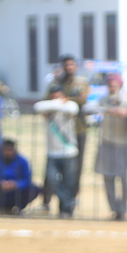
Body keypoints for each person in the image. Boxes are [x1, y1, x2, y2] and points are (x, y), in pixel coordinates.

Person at [87, 74, 127, 220]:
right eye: (110, 85)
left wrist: (126, 114)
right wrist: (108, 110)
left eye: (115, 85)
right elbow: (90, 108)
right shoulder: (103, 100)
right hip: (106, 142)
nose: (112, 88)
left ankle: (123, 209)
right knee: (107, 177)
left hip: (121, 144)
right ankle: (114, 209)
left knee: (123, 177)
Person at [34, 87, 81, 218]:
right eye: (53, 97)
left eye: (58, 97)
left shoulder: (69, 107)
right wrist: (58, 104)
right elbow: (37, 106)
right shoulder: (49, 108)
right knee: (52, 180)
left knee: (69, 183)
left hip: (69, 152)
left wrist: (57, 105)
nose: (55, 100)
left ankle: (66, 211)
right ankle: (69, 202)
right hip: (52, 153)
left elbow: (73, 109)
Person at [50, 55, 90, 197]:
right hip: (60, 130)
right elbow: (47, 98)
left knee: (77, 166)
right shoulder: (56, 82)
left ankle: (73, 198)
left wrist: (65, 100)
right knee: (56, 165)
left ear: (76, 66)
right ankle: (54, 198)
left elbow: (82, 101)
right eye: (66, 65)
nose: (69, 68)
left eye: (71, 65)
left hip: (78, 129)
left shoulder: (81, 82)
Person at [0, 139, 39, 213]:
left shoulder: (22, 161)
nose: (7, 152)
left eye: (10, 150)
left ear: (14, 150)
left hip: (15, 192)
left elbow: (27, 179)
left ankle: (18, 209)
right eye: (5, 150)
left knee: (35, 188)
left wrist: (16, 184)